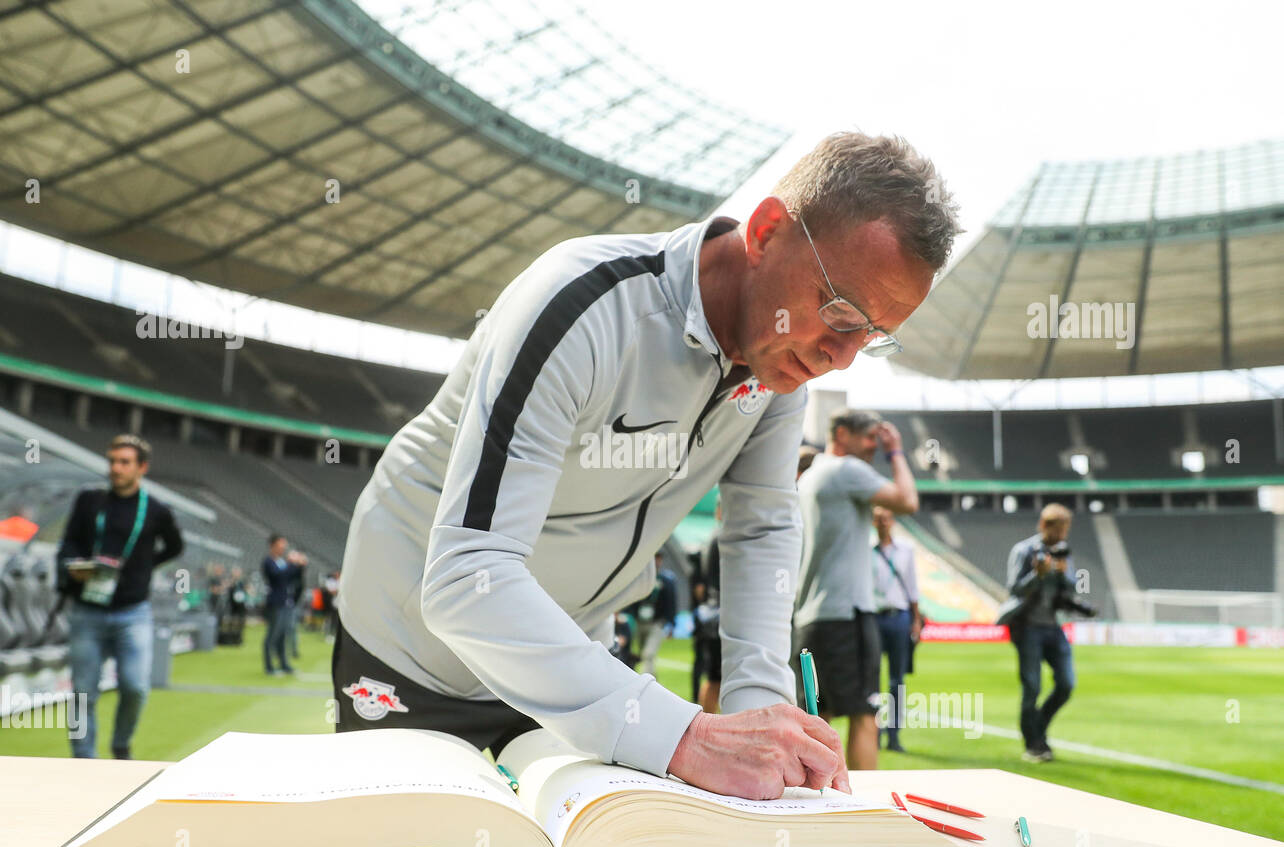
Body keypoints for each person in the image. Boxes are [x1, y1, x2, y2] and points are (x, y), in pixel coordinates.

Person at [334, 132, 958, 799]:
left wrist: (762, 720)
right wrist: (688, 736)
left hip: (575, 660)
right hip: (411, 648)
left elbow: (761, 532)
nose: (842, 357)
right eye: (839, 312)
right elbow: (466, 577)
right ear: (767, 230)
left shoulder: (779, 374)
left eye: (873, 335)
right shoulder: (580, 306)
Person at [791, 410, 919, 772]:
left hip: (810, 618)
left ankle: (818, 805)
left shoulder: (811, 475)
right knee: (864, 714)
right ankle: (863, 807)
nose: (873, 449)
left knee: (819, 716)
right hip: (847, 614)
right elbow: (907, 501)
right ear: (843, 434)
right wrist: (896, 453)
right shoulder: (846, 470)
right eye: (869, 439)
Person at [56, 434, 183, 759]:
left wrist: (143, 566)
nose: (116, 468)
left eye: (124, 462)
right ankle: (84, 759)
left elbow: (175, 546)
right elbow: (68, 543)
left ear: (142, 467)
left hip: (133, 611)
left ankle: (121, 743)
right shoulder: (89, 500)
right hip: (87, 610)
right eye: (112, 461)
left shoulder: (156, 510)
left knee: (135, 686)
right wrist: (74, 566)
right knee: (83, 692)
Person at [1002, 504, 1088, 762]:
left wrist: (1064, 575)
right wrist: (1036, 576)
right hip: (1027, 627)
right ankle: (1033, 744)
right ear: (1044, 526)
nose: (1062, 535)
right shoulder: (1024, 550)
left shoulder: (1063, 553)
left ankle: (1038, 726)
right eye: (1058, 529)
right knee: (1032, 687)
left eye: (1065, 530)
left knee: (1066, 684)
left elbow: (1073, 588)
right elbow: (1014, 589)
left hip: (1053, 625)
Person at [872, 506, 922, 752]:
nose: (882, 523)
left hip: (899, 617)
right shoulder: (865, 550)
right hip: (872, 617)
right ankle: (873, 732)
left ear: (892, 521)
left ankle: (893, 735)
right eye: (878, 519)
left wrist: (916, 619)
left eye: (886, 518)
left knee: (896, 680)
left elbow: (912, 586)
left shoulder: (906, 550)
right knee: (871, 679)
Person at [690, 497, 724, 713]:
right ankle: (708, 723)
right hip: (720, 615)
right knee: (715, 678)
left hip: (713, 614)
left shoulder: (713, 537)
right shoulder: (721, 537)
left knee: (715, 677)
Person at [261, 535, 305, 676]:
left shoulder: (282, 562)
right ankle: (269, 667)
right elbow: (279, 577)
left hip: (287, 603)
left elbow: (294, 577)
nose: (284, 548)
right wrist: (292, 564)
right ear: (273, 545)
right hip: (276, 603)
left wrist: (300, 565)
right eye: (281, 545)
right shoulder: (268, 562)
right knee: (273, 635)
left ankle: (284, 664)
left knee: (283, 635)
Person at [631, 551, 677, 678]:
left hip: (657, 622)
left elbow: (671, 602)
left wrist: (671, 624)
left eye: (659, 558)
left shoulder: (666, 580)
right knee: (644, 654)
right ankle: (653, 683)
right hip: (641, 621)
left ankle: (645, 683)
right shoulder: (640, 578)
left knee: (648, 653)